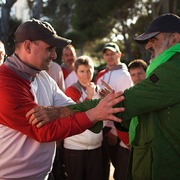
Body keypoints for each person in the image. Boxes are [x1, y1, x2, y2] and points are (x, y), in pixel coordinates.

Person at [0, 18, 125, 180]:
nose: (54, 55)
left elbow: (70, 107)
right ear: (28, 46)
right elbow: (44, 131)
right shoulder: (5, 83)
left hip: (43, 174)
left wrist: (98, 106)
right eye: (49, 48)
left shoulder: (43, 76)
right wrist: (95, 113)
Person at [95, 42, 133, 180]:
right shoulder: (101, 74)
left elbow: (125, 105)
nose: (109, 56)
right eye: (106, 54)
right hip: (101, 128)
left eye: (112, 53)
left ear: (119, 54)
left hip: (115, 130)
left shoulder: (124, 75)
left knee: (120, 169)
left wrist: (113, 130)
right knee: (102, 167)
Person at [64, 55, 102, 180]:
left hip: (96, 147)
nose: (86, 74)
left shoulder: (99, 90)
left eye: (89, 70)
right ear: (76, 73)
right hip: (75, 147)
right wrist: (89, 97)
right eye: (82, 71)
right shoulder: (71, 91)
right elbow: (75, 115)